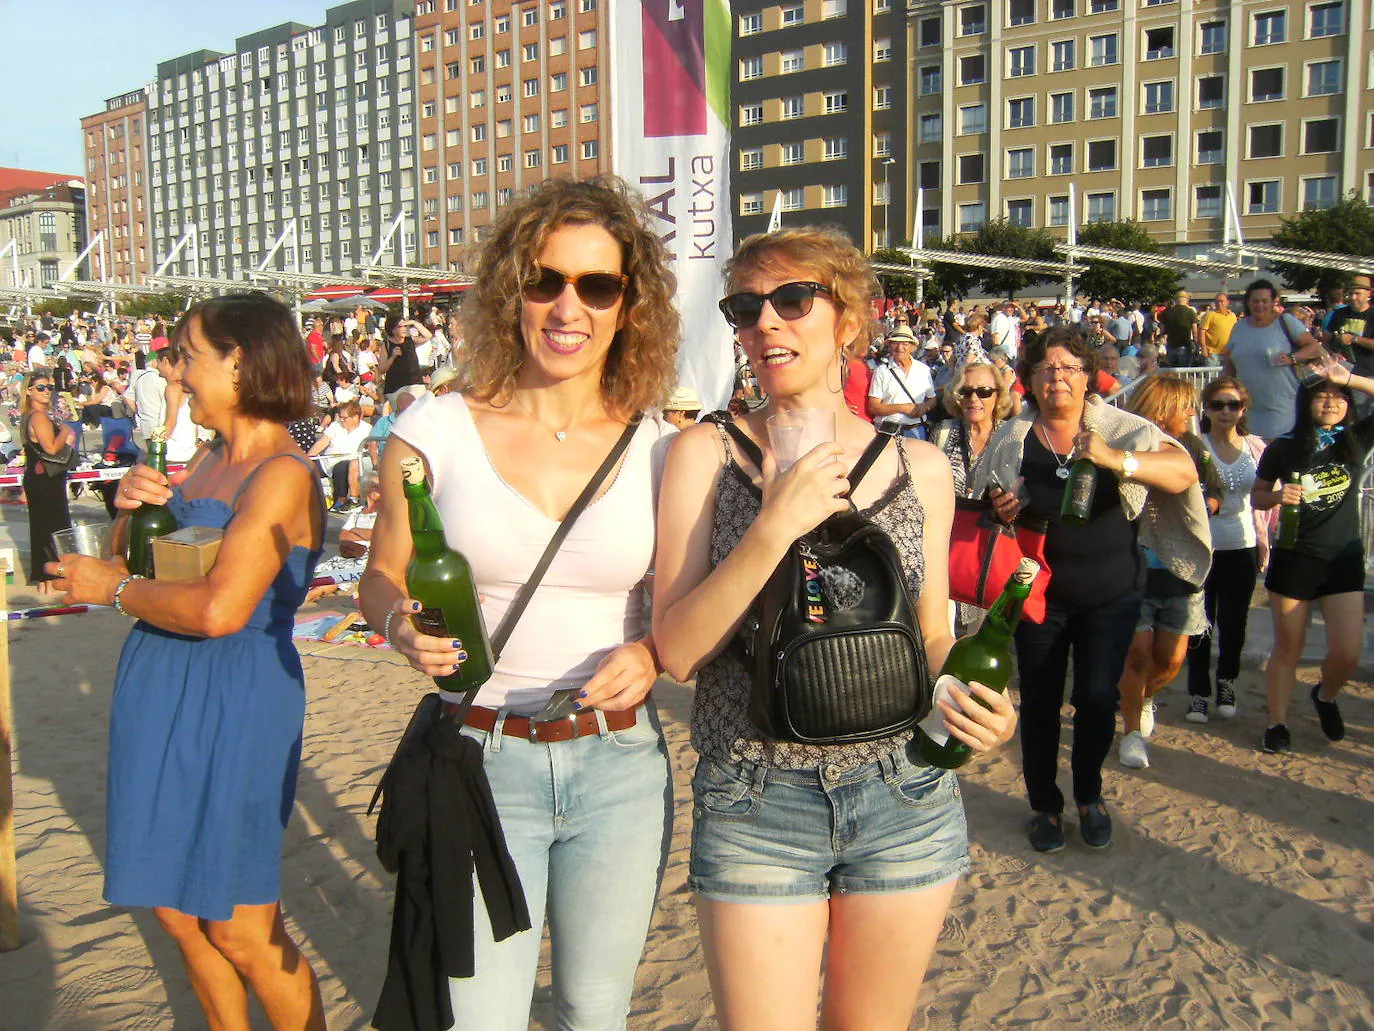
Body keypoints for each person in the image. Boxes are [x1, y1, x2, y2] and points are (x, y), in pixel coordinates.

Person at [652, 226, 1015, 1031]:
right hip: (755, 793)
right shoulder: (704, 453)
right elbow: (677, 649)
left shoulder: (917, 467)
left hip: (904, 788)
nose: (766, 325)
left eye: (792, 300)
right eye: (746, 309)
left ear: (848, 318)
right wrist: (771, 528)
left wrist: (979, 701)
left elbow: (930, 636)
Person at [358, 175, 679, 1029]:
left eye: (597, 285)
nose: (568, 306)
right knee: (482, 1017)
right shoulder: (434, 428)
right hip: (481, 756)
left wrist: (650, 654)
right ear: (512, 290)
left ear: (627, 307)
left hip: (618, 763)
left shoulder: (661, 447)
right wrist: (397, 623)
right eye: (546, 280)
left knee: (594, 1010)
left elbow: (678, 611)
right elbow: (378, 572)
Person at [47, 292, 327, 1030]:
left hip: (235, 698)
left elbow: (218, 609)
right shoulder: (204, 457)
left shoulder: (283, 473)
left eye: (188, 356)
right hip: (159, 687)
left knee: (240, 926)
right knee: (175, 911)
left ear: (240, 361)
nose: (176, 372)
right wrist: (130, 514)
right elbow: (136, 563)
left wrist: (114, 589)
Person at [976, 328, 1207, 851]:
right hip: (1038, 594)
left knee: (1098, 699)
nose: (1057, 378)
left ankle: (1088, 795)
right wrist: (999, 508)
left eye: (1068, 368)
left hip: (1112, 592)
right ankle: (1045, 806)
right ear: (1029, 379)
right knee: (1038, 702)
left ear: (1087, 377)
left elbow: (1182, 471)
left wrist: (1116, 460)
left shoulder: (1123, 429)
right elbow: (980, 499)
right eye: (1045, 369)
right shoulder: (1011, 437)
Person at [1251, 357, 1374, 753]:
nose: (1332, 402)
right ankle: (1277, 724)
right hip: (1294, 556)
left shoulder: (1354, 439)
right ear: (1305, 403)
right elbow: (1257, 494)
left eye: (1339, 397)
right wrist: (1276, 497)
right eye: (1322, 395)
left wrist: (1349, 377)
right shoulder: (1284, 448)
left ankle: (1324, 695)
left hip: (1342, 557)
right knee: (1289, 646)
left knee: (1348, 650)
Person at [1114, 376, 1217, 770]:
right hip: (1135, 567)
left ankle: (1140, 699)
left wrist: (1211, 498)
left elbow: (1216, 483)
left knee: (1170, 660)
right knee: (1137, 657)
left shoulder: (1192, 448)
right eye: (1186, 406)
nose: (1192, 414)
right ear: (1162, 409)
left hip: (1180, 570)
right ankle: (1131, 731)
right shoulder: (1126, 445)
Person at [1186, 377, 1267, 724]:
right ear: (1206, 408)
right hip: (1201, 545)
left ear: (1243, 409)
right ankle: (1197, 693)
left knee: (1234, 622)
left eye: (1232, 404)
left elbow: (1266, 498)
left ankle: (1227, 682)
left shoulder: (1256, 447)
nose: (1225, 411)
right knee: (1198, 621)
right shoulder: (1194, 445)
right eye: (1218, 404)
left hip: (1242, 542)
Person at [1222, 279, 1325, 441]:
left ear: (1273, 302)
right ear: (1248, 303)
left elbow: (1314, 347)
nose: (1260, 305)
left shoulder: (1285, 322)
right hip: (1247, 405)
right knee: (1249, 451)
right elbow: (1229, 362)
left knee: (1275, 452)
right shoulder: (1239, 327)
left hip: (1280, 405)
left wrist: (1292, 357)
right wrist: (1222, 390)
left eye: (1265, 301)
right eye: (1255, 301)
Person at [19, 369, 74, 594]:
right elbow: (51, 447)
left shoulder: (28, 416)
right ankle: (51, 579)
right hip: (46, 480)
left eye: (49, 387)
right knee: (55, 528)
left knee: (42, 528)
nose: (46, 392)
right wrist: (66, 432)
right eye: (40, 388)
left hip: (37, 477)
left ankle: (45, 581)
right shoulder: (38, 416)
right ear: (29, 392)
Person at [868, 323, 937, 439]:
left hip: (917, 431)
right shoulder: (881, 371)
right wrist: (903, 408)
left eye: (905, 344)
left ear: (912, 347)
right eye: (895, 343)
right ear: (889, 346)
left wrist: (925, 407)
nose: (900, 348)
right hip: (887, 432)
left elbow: (932, 399)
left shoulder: (923, 370)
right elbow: (873, 407)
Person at [307, 398, 371, 512]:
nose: (341, 420)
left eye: (344, 418)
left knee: (341, 467)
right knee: (307, 468)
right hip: (326, 461)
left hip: (347, 464)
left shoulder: (367, 429)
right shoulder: (336, 425)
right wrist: (308, 458)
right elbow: (323, 442)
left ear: (355, 417)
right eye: (340, 416)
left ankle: (341, 499)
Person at [378, 315, 432, 394]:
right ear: (393, 330)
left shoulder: (410, 340)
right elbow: (381, 369)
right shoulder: (387, 344)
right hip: (396, 387)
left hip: (415, 384)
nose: (404, 329)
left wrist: (413, 322)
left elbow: (428, 335)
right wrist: (393, 357)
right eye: (400, 327)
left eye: (405, 326)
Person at [1197, 293, 1237, 367]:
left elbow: (1236, 332)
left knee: (1226, 377)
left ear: (1227, 302)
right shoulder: (1210, 315)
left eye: (1222, 301)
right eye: (1217, 301)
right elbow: (1201, 331)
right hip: (1212, 353)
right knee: (1211, 377)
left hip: (1227, 353)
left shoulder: (1232, 316)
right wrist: (1203, 348)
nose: (1219, 303)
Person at [1159, 291, 1197, 367]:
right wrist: (1197, 344)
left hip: (1170, 344)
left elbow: (1162, 329)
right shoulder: (1190, 312)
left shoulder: (1166, 312)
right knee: (1183, 370)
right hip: (1184, 344)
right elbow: (1194, 331)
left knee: (1171, 370)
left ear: (1176, 300)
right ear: (1186, 300)